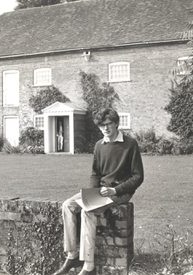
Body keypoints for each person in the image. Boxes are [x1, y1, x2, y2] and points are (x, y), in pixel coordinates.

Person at [53, 108, 144, 275]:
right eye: (101, 126)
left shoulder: (130, 144)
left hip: (119, 192)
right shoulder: (99, 145)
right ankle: (72, 255)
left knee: (88, 210)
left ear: (117, 123)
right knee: (68, 205)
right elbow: (95, 174)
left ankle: (88, 266)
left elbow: (138, 176)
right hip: (101, 190)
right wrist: (92, 193)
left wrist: (115, 190)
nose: (105, 129)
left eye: (108, 124)